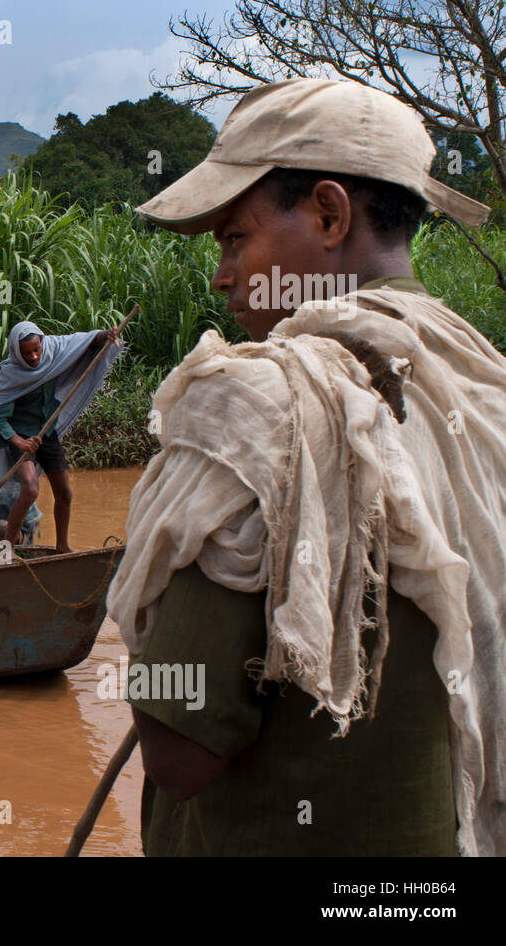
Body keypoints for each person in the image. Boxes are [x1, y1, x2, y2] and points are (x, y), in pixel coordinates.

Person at [107, 77, 506, 856]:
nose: (222, 276)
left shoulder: (266, 406)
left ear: (330, 213)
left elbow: (179, 750)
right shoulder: (483, 386)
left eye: (234, 239)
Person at [0, 322, 119, 553]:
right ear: (17, 352)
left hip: (46, 433)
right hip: (21, 435)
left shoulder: (53, 351)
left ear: (42, 343)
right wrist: (20, 442)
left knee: (65, 493)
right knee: (30, 489)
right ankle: (7, 547)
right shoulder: (9, 374)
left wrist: (105, 335)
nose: (34, 356)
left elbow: (82, 342)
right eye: (27, 353)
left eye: (36, 349)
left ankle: (62, 545)